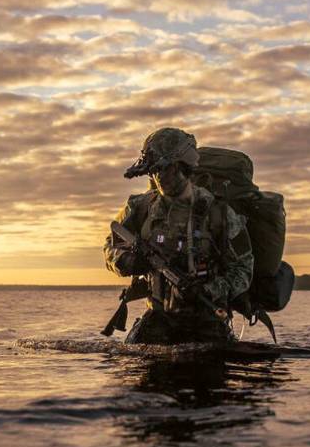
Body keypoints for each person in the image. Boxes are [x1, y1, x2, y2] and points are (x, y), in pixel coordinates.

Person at [104, 127, 254, 344]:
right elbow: (110, 247)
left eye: (167, 169)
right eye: (154, 171)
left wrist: (209, 290)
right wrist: (128, 260)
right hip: (157, 319)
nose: (160, 177)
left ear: (184, 166)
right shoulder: (141, 208)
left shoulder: (218, 212)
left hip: (207, 319)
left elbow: (243, 269)